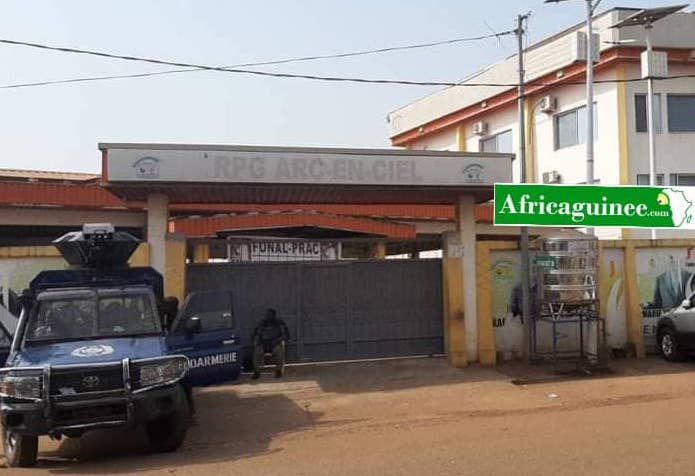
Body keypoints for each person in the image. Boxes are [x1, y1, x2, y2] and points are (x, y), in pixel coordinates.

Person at [251, 308, 290, 379]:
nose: (267, 316)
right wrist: (257, 339)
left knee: (279, 351)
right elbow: (256, 333)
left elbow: (285, 335)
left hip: (275, 343)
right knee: (256, 352)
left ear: (274, 315)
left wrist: (278, 341)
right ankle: (257, 372)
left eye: (269, 315)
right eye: (267, 315)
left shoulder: (279, 323)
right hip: (263, 344)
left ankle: (279, 371)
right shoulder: (262, 323)